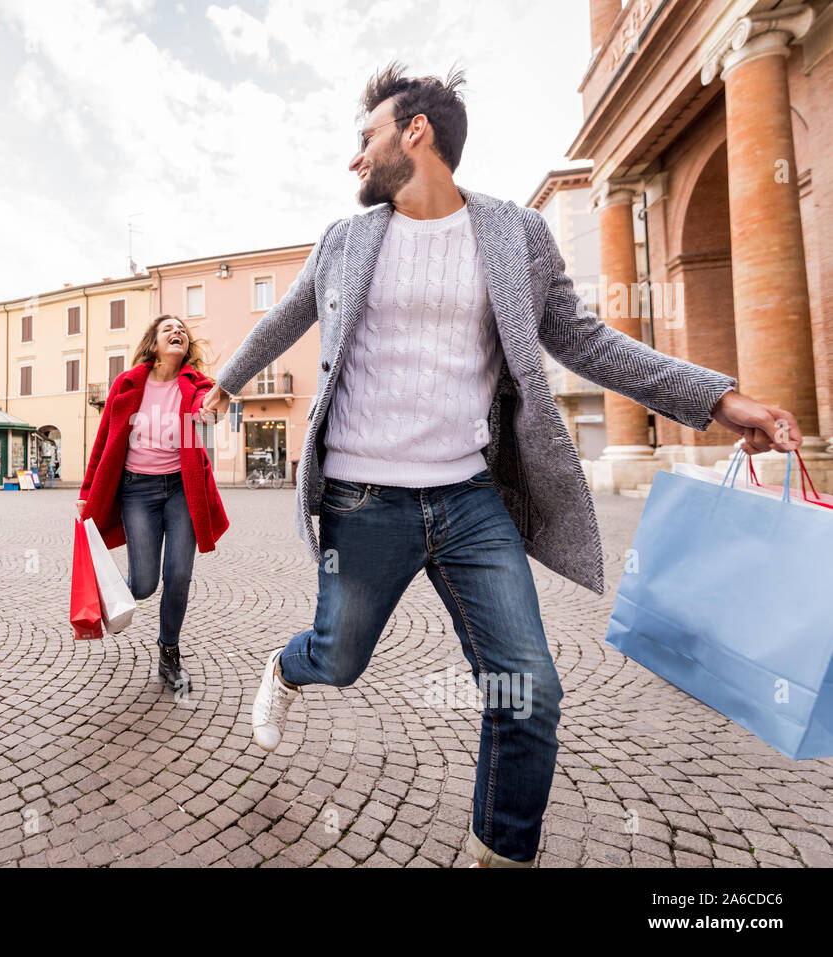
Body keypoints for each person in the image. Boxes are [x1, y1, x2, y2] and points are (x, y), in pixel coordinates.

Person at [200, 63, 801, 869]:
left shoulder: (515, 234)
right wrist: (226, 382)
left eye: (366, 136)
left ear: (417, 133)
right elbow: (286, 316)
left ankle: (500, 852)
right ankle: (286, 663)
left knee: (530, 690)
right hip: (361, 499)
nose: (355, 157)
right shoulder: (346, 241)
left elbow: (586, 340)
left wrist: (717, 400)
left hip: (469, 497)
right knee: (339, 659)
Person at [77, 315, 229, 692]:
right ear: (153, 343)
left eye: (182, 329)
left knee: (178, 574)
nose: (177, 332)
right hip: (136, 491)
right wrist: (86, 490)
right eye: (168, 329)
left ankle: (169, 651)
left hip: (181, 489)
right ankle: (115, 597)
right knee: (143, 585)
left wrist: (219, 408)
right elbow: (103, 442)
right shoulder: (127, 384)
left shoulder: (197, 385)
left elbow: (216, 412)